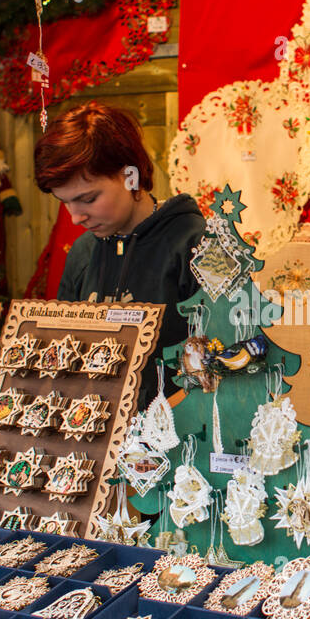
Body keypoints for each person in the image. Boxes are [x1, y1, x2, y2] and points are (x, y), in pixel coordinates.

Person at [35, 103, 205, 405]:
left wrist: (160, 420)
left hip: (177, 429)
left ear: (130, 176)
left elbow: (224, 360)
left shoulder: (194, 242)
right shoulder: (83, 252)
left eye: (88, 199)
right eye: (64, 202)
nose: (75, 217)